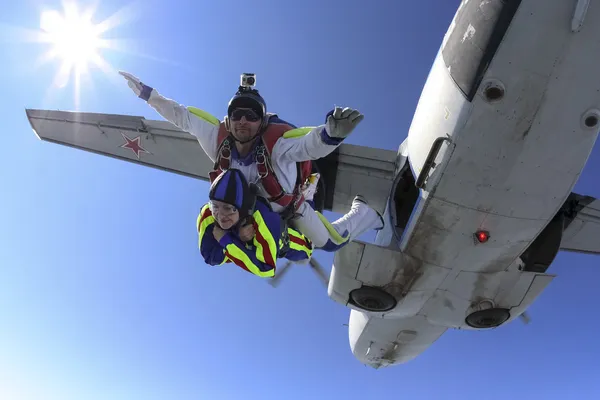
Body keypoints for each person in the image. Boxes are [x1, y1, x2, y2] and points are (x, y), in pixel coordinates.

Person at [120, 70, 384, 252]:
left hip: (291, 209)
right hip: (249, 214)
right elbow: (181, 116)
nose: (243, 120)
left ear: (262, 121)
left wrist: (330, 134)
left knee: (329, 242)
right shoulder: (217, 138)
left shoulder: (278, 144)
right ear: (228, 119)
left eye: (251, 115)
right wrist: (146, 94)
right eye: (236, 115)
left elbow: (308, 146)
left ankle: (365, 213)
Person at [198, 168, 314, 278]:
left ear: (241, 208)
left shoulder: (263, 220)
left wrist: (227, 241)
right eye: (215, 206)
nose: (221, 215)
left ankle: (309, 196)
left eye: (228, 208)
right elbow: (210, 256)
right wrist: (236, 239)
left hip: (285, 239)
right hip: (260, 241)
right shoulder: (207, 214)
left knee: (308, 250)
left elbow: (266, 269)